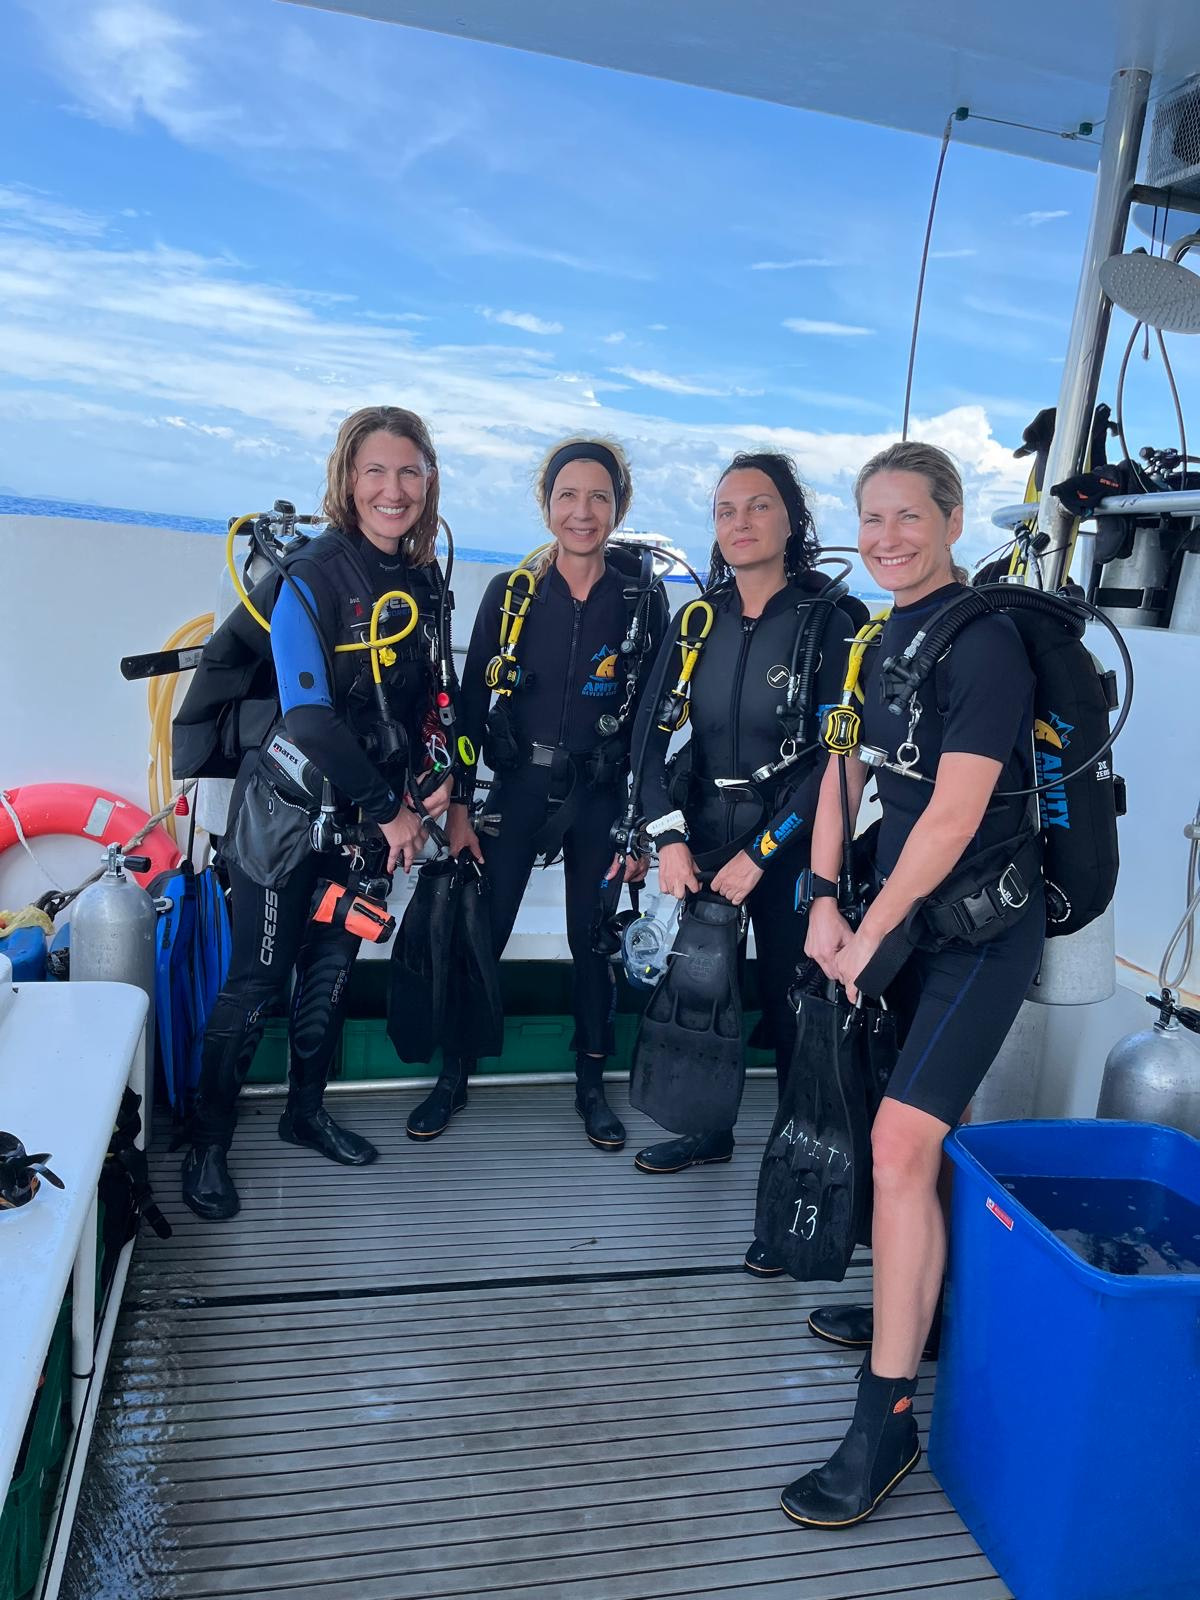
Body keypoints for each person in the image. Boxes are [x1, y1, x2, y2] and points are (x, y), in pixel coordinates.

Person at [782, 441, 1045, 1527]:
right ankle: (918, 1306)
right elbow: (844, 770)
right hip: (899, 921)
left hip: (981, 933)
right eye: (871, 520)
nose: (888, 539)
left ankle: (886, 1417)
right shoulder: (875, 640)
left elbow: (950, 814)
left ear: (951, 519)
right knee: (920, 1139)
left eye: (909, 517)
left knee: (899, 1143)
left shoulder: (984, 645)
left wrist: (867, 931)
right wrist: (822, 895)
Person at [179, 406, 453, 1221]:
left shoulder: (423, 577)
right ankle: (207, 1141)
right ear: (347, 479)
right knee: (256, 983)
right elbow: (308, 718)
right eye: (376, 471)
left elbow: (430, 697)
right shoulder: (313, 574)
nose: (392, 489)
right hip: (288, 820)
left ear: (429, 480)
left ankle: (305, 1111)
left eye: (409, 471)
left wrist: (440, 781)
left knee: (329, 978)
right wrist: (392, 812)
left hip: (364, 826)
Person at [405, 436, 668, 1149]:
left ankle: (591, 1084)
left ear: (619, 506)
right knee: (481, 932)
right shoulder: (513, 594)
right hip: (517, 788)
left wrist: (642, 832)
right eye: (568, 496)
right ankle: (452, 1078)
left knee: (592, 943)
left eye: (599, 497)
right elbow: (466, 701)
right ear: (546, 504)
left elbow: (651, 722)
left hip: (602, 797)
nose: (582, 513)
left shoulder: (642, 598)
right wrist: (460, 809)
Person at [632, 451, 857, 1274]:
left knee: (792, 1009)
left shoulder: (832, 619)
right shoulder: (698, 620)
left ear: (792, 520)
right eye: (726, 509)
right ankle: (709, 1130)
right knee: (705, 988)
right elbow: (648, 742)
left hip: (795, 843)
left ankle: (788, 1188)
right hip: (704, 833)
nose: (739, 522)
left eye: (759, 507)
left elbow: (838, 759)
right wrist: (668, 837)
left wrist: (764, 855)